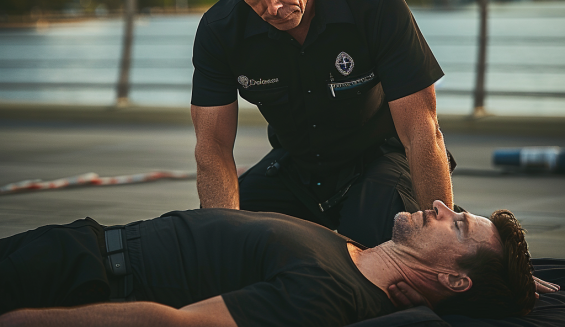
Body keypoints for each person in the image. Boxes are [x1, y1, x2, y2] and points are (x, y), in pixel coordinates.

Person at [191, 0, 453, 247]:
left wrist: (444, 243)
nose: (273, 7)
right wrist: (226, 247)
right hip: (296, 165)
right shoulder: (219, 31)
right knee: (214, 240)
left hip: (379, 158)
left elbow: (421, 131)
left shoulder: (375, 4)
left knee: (380, 246)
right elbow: (213, 149)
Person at [0, 202, 538, 327]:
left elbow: (180, 325)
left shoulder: (325, 295)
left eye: (459, 225)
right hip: (78, 242)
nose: (443, 207)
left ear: (452, 278)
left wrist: (24, 319)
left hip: (80, 280)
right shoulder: (350, 251)